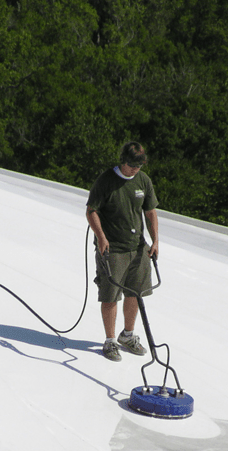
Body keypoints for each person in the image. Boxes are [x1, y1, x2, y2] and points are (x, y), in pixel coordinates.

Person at [85, 141, 160, 361]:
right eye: (132, 164)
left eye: (139, 165)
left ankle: (127, 335)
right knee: (110, 295)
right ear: (123, 160)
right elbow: (91, 211)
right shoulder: (106, 180)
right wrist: (101, 237)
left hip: (137, 248)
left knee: (136, 293)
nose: (135, 169)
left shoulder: (143, 181)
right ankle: (109, 341)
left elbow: (150, 211)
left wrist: (155, 241)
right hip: (112, 248)